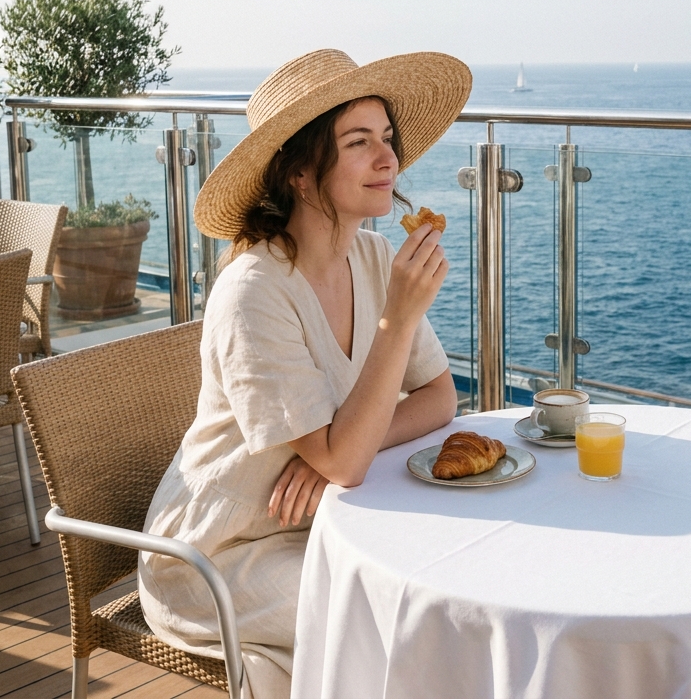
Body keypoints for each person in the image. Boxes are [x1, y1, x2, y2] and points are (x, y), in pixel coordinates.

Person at [137, 49, 471, 699]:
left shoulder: (373, 258)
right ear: (297, 170)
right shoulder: (254, 292)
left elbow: (439, 399)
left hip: (323, 524)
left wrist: (330, 456)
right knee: (404, 621)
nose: (388, 160)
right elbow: (348, 462)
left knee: (445, 592)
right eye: (358, 142)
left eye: (388, 140)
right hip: (221, 556)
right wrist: (397, 324)